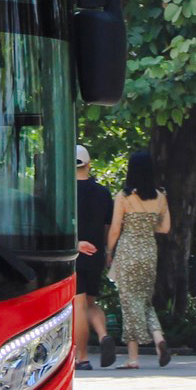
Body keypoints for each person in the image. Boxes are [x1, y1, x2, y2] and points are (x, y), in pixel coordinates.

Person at [104, 152, 172, 368]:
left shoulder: (123, 197)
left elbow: (115, 229)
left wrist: (108, 251)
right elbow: (165, 228)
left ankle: (133, 358)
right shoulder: (160, 196)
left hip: (128, 250)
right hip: (149, 251)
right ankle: (159, 338)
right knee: (144, 301)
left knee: (129, 302)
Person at [73, 145, 115, 369]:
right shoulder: (103, 193)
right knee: (90, 302)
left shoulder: (65, 193)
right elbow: (108, 225)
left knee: (78, 306)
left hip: (73, 254)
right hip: (97, 254)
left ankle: (83, 357)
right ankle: (102, 335)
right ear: (89, 165)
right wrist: (107, 252)